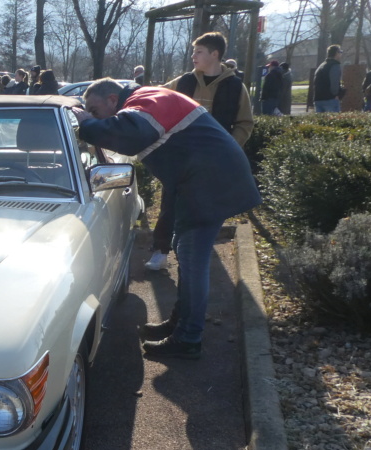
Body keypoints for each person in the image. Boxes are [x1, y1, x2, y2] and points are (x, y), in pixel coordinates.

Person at [72, 79, 261, 359]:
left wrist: (87, 125)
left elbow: (131, 134)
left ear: (113, 99)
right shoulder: (147, 99)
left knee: (192, 260)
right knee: (187, 255)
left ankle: (188, 339)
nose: (95, 115)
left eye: (96, 109)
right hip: (206, 181)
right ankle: (180, 325)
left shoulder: (145, 100)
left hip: (210, 184)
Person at [155, 31, 254, 271]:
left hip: (213, 163)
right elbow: (157, 95)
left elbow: (245, 123)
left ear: (215, 54)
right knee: (170, 202)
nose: (193, 56)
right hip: (181, 158)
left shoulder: (235, 87)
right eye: (193, 51)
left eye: (198, 51)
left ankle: (197, 249)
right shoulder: (183, 81)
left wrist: (229, 147)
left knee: (204, 205)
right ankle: (160, 250)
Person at [313, 44, 344, 113]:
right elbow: (334, 82)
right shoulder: (335, 65)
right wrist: (336, 95)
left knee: (320, 123)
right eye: (340, 52)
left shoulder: (321, 65)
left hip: (318, 99)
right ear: (336, 53)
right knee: (333, 122)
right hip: (330, 99)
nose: (341, 54)